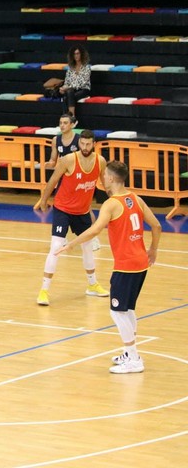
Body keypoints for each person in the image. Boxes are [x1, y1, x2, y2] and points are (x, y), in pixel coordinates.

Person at [56, 161, 161, 374]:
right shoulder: (136, 198)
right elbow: (157, 226)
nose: (102, 179)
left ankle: (133, 359)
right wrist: (153, 249)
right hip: (140, 262)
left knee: (117, 312)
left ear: (111, 179)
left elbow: (94, 230)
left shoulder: (111, 204)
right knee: (128, 309)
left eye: (104, 176)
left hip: (126, 265)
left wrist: (71, 244)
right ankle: (129, 352)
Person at [34, 130, 108, 306]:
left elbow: (106, 184)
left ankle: (92, 285)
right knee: (56, 247)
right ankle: (44, 291)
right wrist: (44, 200)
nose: (84, 147)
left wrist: (117, 199)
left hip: (82, 212)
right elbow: (53, 180)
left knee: (88, 248)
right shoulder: (68, 160)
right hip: (63, 210)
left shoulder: (100, 162)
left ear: (94, 145)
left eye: (88, 144)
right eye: (82, 143)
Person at [46, 114, 101, 251]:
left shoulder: (79, 140)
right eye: (60, 122)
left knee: (85, 208)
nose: (62, 125)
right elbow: (54, 159)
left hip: (78, 176)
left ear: (72, 125)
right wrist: (50, 163)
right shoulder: (56, 140)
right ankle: (61, 237)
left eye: (65, 122)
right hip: (64, 177)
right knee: (59, 205)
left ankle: (93, 237)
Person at [59, 45, 91, 117]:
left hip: (84, 89)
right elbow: (67, 82)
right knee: (68, 93)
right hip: (71, 90)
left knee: (67, 96)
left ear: (82, 54)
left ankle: (69, 117)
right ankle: (70, 118)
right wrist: (63, 88)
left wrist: (68, 87)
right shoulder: (70, 68)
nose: (76, 56)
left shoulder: (86, 68)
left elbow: (82, 83)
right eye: (74, 54)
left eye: (78, 53)